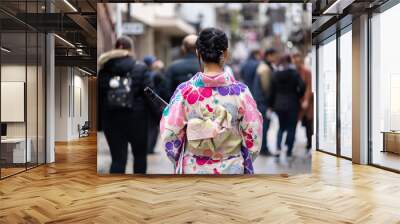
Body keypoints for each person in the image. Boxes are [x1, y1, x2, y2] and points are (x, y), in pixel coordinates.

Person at [160, 28, 263, 174]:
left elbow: (170, 134)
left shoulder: (185, 91)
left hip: (193, 168)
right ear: (226, 53)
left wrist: (182, 157)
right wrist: (242, 158)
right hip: (232, 168)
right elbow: (254, 135)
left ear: (198, 53)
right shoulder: (241, 92)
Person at [98, 36, 151, 174]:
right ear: (131, 49)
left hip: (111, 119)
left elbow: (99, 97)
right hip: (137, 119)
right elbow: (149, 96)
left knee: (117, 159)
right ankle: (138, 188)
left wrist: (98, 124)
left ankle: (117, 190)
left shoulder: (104, 69)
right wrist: (159, 118)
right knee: (139, 156)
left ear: (115, 48)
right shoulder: (140, 68)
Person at [268, 55, 305, 160]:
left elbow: (272, 92)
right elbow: (302, 86)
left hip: (279, 105)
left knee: (281, 127)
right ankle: (288, 151)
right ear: (290, 62)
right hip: (293, 103)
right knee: (291, 128)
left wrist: (271, 105)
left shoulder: (275, 75)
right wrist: (298, 95)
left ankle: (278, 148)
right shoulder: (294, 74)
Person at [252, 48, 279, 156]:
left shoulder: (264, 67)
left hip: (260, 101)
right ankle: (263, 148)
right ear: (269, 56)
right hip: (263, 102)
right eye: (274, 55)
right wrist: (270, 104)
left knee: (263, 126)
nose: (275, 58)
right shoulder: (265, 69)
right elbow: (267, 88)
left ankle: (262, 148)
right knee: (265, 126)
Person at [143, 55, 169, 154]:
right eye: (154, 61)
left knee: (149, 126)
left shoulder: (145, 73)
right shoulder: (155, 74)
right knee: (153, 127)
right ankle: (149, 148)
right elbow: (164, 81)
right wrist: (162, 68)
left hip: (146, 104)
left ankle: (148, 148)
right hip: (154, 103)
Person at [165, 34, 199, 99]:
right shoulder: (206, 67)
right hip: (202, 107)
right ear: (199, 48)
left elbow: (166, 91)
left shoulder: (172, 67)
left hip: (178, 106)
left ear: (183, 48)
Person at [293, 53, 313, 153]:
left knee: (308, 124)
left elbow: (309, 87)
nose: (296, 62)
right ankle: (291, 143)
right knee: (293, 124)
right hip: (296, 102)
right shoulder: (292, 71)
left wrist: (306, 100)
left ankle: (309, 144)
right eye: (294, 60)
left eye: (298, 61)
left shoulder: (306, 72)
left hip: (306, 103)